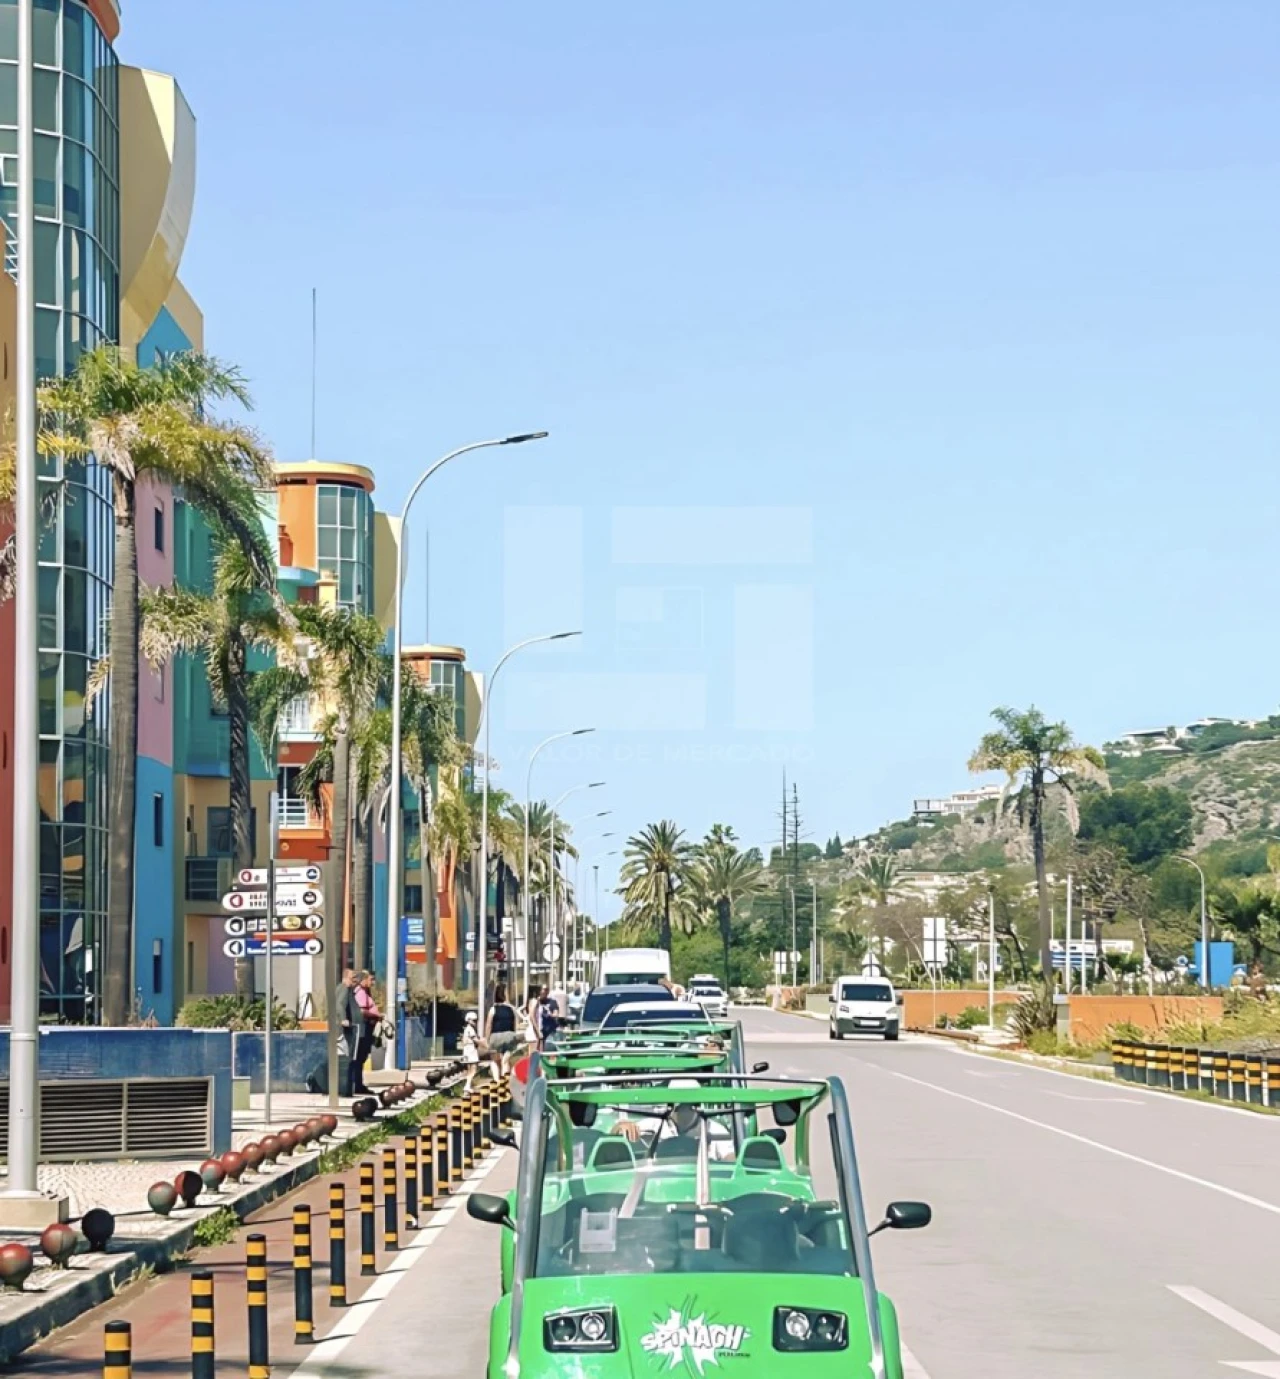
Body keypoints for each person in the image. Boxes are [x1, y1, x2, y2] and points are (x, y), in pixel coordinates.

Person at [352, 970, 381, 1096]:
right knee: (359, 1058)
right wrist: (376, 1015)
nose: (372, 982)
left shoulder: (365, 992)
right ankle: (357, 1084)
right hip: (364, 1029)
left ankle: (359, 1083)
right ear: (363, 980)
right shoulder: (361, 993)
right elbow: (362, 1011)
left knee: (362, 1058)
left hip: (367, 1028)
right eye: (370, 979)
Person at [335, 969, 361, 1095]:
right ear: (345, 978)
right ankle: (345, 1087)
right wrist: (343, 1019)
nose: (355, 980)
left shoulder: (348, 989)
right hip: (343, 1030)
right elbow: (339, 1004)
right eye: (352, 978)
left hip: (348, 1029)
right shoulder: (344, 988)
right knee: (346, 1057)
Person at [486, 983, 520, 1078]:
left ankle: (497, 1081)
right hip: (509, 1036)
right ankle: (504, 1083)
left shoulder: (493, 1009)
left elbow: (489, 1025)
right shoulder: (512, 1009)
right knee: (506, 1061)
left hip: (496, 1036)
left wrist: (487, 1040)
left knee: (494, 1061)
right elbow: (515, 1025)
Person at [462, 1011, 481, 1092]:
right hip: (471, 1050)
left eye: (476, 1020)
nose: (475, 1022)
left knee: (470, 1069)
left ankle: (468, 1085)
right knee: (473, 1069)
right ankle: (467, 1085)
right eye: (473, 1020)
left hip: (467, 1050)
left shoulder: (468, 1029)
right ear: (468, 1020)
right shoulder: (470, 1029)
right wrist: (484, 1044)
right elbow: (475, 1040)